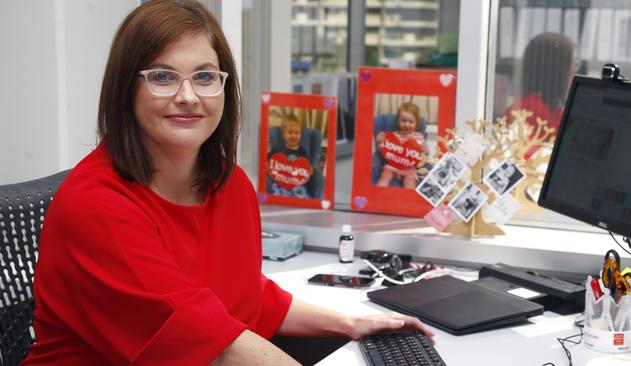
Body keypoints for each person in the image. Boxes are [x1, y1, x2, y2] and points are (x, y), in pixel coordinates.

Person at [21, 1, 432, 365]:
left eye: (204, 77)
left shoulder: (228, 183)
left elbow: (248, 295)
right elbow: (211, 345)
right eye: (163, 77)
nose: (188, 96)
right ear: (126, 90)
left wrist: (352, 324)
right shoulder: (96, 206)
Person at [501, 32, 577, 139]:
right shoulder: (528, 111)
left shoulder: (554, 110)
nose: (573, 70)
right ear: (557, 70)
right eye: (572, 64)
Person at [376, 102, 429, 189]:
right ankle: (378, 196)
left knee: (410, 183)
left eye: (411, 122)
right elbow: (383, 150)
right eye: (403, 121)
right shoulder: (393, 136)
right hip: (392, 166)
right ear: (398, 121)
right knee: (384, 177)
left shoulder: (419, 137)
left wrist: (425, 151)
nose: (407, 124)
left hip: (409, 168)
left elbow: (424, 155)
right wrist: (380, 142)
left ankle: (408, 201)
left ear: (417, 123)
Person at [267, 114, 312, 198]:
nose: (293, 136)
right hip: (279, 184)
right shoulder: (277, 149)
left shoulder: (302, 152)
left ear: (301, 135)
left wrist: (309, 170)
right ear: (283, 135)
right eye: (290, 132)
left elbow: (306, 167)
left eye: (297, 133)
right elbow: (268, 161)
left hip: (297, 185)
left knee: (304, 195)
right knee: (275, 193)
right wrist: (267, 165)